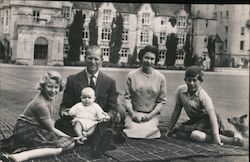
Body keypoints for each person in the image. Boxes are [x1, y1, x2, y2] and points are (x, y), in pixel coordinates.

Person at [55, 45, 120, 157]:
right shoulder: (73, 79)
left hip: (98, 122)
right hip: (77, 121)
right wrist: (65, 112)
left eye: (96, 59)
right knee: (60, 124)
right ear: (85, 58)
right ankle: (95, 140)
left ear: (101, 61)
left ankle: (90, 141)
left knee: (105, 126)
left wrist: (108, 116)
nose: (92, 62)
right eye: (90, 58)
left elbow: (113, 108)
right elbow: (64, 105)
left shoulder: (109, 82)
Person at [0, 71, 79, 162]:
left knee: (68, 144)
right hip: (26, 130)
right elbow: (51, 129)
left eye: (56, 87)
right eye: (49, 86)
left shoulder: (49, 99)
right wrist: (71, 138)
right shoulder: (40, 104)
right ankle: (19, 156)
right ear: (43, 86)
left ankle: (25, 151)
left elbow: (50, 122)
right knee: (67, 144)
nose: (53, 90)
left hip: (35, 128)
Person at [164, 65, 244, 146]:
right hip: (196, 121)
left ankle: (230, 140)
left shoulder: (203, 96)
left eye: (194, 80)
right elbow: (176, 111)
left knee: (195, 135)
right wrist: (169, 128)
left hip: (208, 120)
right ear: (185, 80)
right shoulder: (180, 91)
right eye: (189, 80)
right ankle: (225, 134)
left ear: (200, 81)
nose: (191, 83)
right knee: (177, 132)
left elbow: (212, 117)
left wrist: (216, 137)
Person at [121, 45, 167, 139]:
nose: (149, 61)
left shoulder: (161, 78)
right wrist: (133, 115)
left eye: (152, 59)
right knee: (132, 131)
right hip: (133, 113)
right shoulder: (131, 75)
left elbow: (162, 101)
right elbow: (127, 98)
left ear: (155, 60)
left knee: (147, 132)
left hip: (151, 115)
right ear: (141, 58)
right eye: (146, 57)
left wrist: (150, 116)